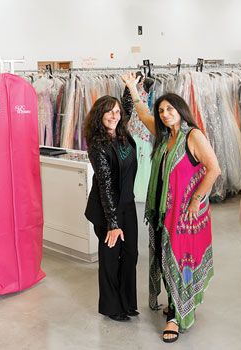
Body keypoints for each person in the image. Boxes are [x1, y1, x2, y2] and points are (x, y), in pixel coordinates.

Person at [122, 72, 221, 343]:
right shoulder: (165, 136)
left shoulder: (193, 136)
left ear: (181, 110)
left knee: (179, 261)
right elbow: (142, 113)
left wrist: (195, 200)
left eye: (170, 109)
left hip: (185, 214)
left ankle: (177, 316)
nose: (165, 114)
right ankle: (176, 303)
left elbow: (214, 169)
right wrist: (132, 88)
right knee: (166, 260)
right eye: (162, 110)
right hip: (163, 211)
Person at [83, 95, 139, 322]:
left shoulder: (122, 133)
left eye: (117, 112)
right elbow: (105, 187)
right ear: (100, 115)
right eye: (109, 112)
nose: (115, 115)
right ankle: (111, 306)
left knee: (130, 254)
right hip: (107, 210)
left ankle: (127, 301)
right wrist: (113, 224)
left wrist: (130, 88)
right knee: (110, 257)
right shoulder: (97, 145)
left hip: (127, 204)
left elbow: (126, 108)